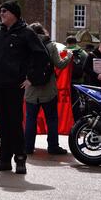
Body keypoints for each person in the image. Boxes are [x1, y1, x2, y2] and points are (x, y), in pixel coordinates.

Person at [0, 0, 49, 174]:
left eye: (5, 11)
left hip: (14, 85)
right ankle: (4, 159)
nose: (1, 14)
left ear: (14, 14)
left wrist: (32, 78)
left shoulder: (26, 33)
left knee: (14, 123)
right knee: (2, 123)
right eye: (1, 11)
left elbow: (42, 56)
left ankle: (20, 159)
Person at [24, 23, 73, 155]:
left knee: (30, 119)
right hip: (48, 89)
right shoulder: (51, 46)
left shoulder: (26, 45)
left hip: (31, 89)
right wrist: (69, 55)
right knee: (51, 119)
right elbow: (60, 64)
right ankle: (53, 147)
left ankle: (27, 147)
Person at [65, 36, 88, 121]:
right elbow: (86, 68)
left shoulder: (63, 51)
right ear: (76, 42)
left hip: (66, 84)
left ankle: (67, 121)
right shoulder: (83, 53)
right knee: (77, 104)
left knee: (66, 104)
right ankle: (77, 122)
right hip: (79, 83)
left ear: (67, 43)